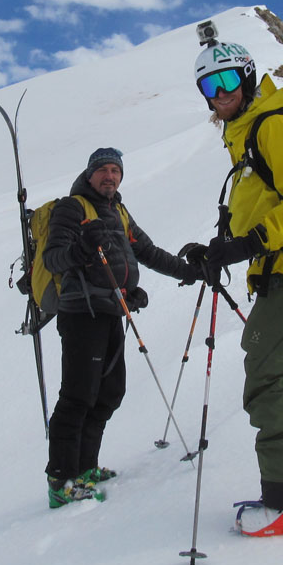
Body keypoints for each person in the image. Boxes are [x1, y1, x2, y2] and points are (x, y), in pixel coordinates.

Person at [184, 33, 283, 537]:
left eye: (228, 79)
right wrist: (218, 248)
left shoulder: (272, 126)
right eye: (208, 85)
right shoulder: (247, 136)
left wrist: (249, 242)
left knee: (267, 378)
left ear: (249, 77)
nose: (220, 92)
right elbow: (262, 207)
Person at [42, 146, 197, 508]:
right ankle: (61, 479)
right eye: (103, 170)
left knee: (109, 392)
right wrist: (81, 248)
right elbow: (53, 258)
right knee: (78, 395)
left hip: (112, 310)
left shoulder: (119, 211)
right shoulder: (73, 207)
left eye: (116, 170)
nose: (110, 176)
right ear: (90, 174)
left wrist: (190, 271)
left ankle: (85, 468)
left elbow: (148, 251)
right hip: (82, 312)